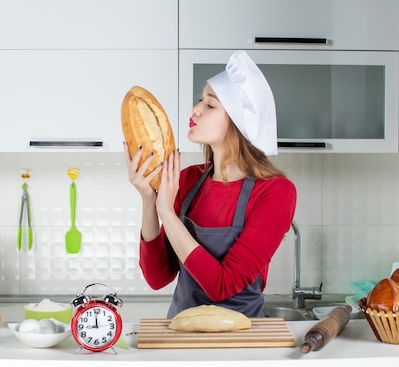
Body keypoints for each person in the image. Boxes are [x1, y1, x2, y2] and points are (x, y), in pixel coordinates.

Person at [124, 50, 297, 318]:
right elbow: (158, 278)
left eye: (210, 104)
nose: (196, 109)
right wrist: (149, 200)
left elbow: (222, 285)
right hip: (181, 334)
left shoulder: (275, 192)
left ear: (238, 123)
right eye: (199, 100)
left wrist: (167, 213)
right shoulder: (188, 180)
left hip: (241, 340)